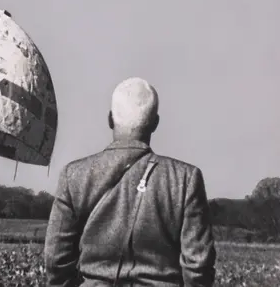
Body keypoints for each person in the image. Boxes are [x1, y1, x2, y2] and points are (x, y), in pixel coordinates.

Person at [44, 77, 216, 287]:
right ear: (155, 123)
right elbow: (198, 267)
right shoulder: (186, 178)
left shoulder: (73, 175)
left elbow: (55, 261)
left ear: (110, 119)